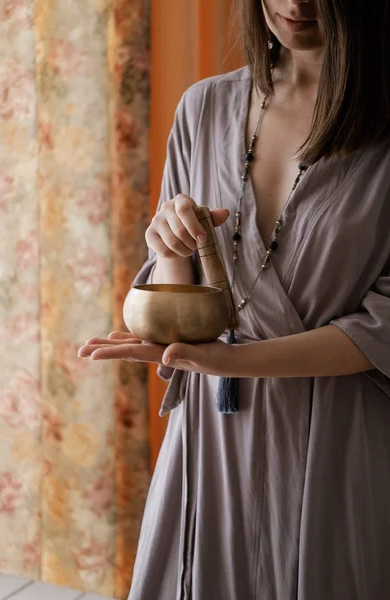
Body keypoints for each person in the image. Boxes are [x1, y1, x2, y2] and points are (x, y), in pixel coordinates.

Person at [78, 0, 390, 597]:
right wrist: (171, 241)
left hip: (339, 438)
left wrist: (232, 361)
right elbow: (184, 291)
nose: (296, 3)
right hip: (213, 434)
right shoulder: (205, 107)